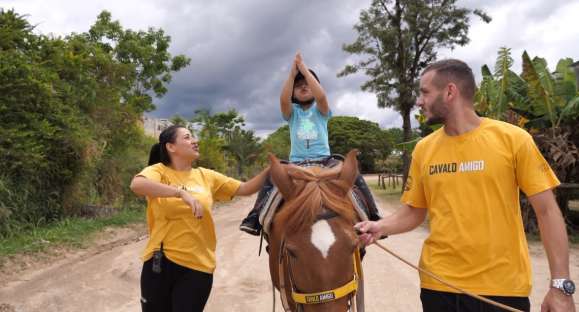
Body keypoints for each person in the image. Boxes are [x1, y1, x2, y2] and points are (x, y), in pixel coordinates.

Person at [355, 59, 575, 312]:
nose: (419, 101)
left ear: (450, 92)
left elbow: (547, 211)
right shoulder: (424, 149)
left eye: (425, 92)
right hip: (438, 287)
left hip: (501, 289)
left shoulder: (513, 139)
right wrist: (378, 226)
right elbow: (413, 211)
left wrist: (560, 286)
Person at [239, 52, 381, 236]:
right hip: (296, 162)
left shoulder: (321, 110)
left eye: (307, 83)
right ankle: (255, 216)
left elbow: (321, 97)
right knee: (272, 177)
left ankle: (373, 214)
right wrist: (292, 74)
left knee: (354, 174)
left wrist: (304, 70)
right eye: (298, 86)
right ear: (293, 92)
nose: (303, 86)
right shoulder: (292, 112)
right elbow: (283, 100)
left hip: (324, 160)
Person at [130, 125, 268, 312]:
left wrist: (271, 170)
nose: (195, 141)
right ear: (171, 147)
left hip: (198, 265)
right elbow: (137, 184)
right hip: (160, 263)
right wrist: (180, 193)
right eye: (187, 137)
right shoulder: (158, 171)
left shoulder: (206, 176)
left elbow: (245, 189)